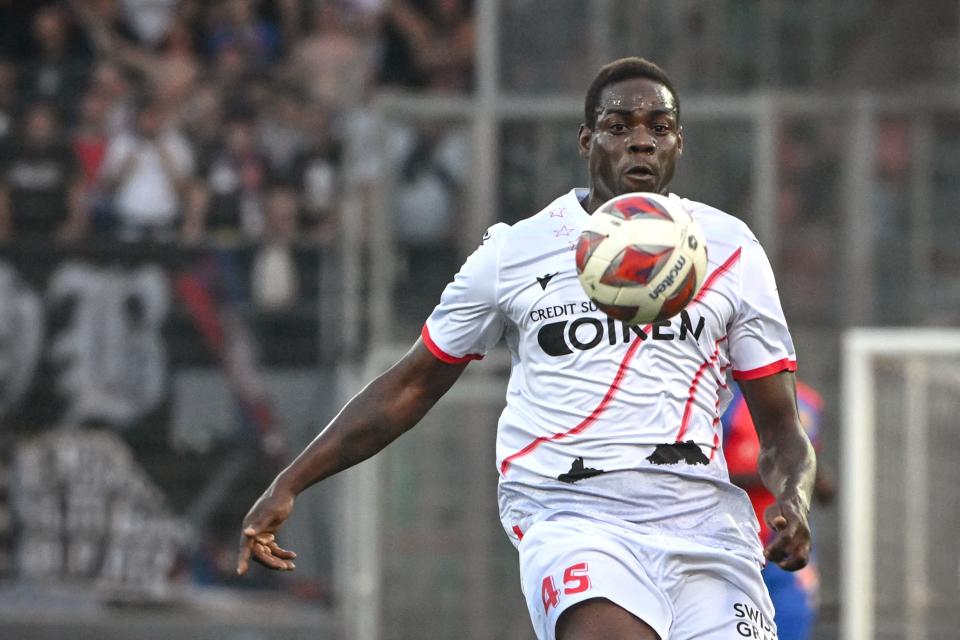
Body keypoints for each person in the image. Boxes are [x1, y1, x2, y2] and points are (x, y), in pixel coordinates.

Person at [236, 57, 816, 640]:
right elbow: (411, 384)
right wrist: (291, 480)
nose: (640, 141)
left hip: (705, 529)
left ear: (678, 144)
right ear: (587, 140)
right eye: (619, 126)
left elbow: (781, 426)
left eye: (658, 127)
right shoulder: (516, 253)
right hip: (574, 517)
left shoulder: (730, 249)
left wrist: (795, 496)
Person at [723, 379, 834, 640]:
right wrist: (775, 476)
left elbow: (807, 459)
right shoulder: (724, 399)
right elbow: (704, 472)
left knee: (792, 620)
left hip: (787, 536)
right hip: (734, 540)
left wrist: (816, 480)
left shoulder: (809, 399)